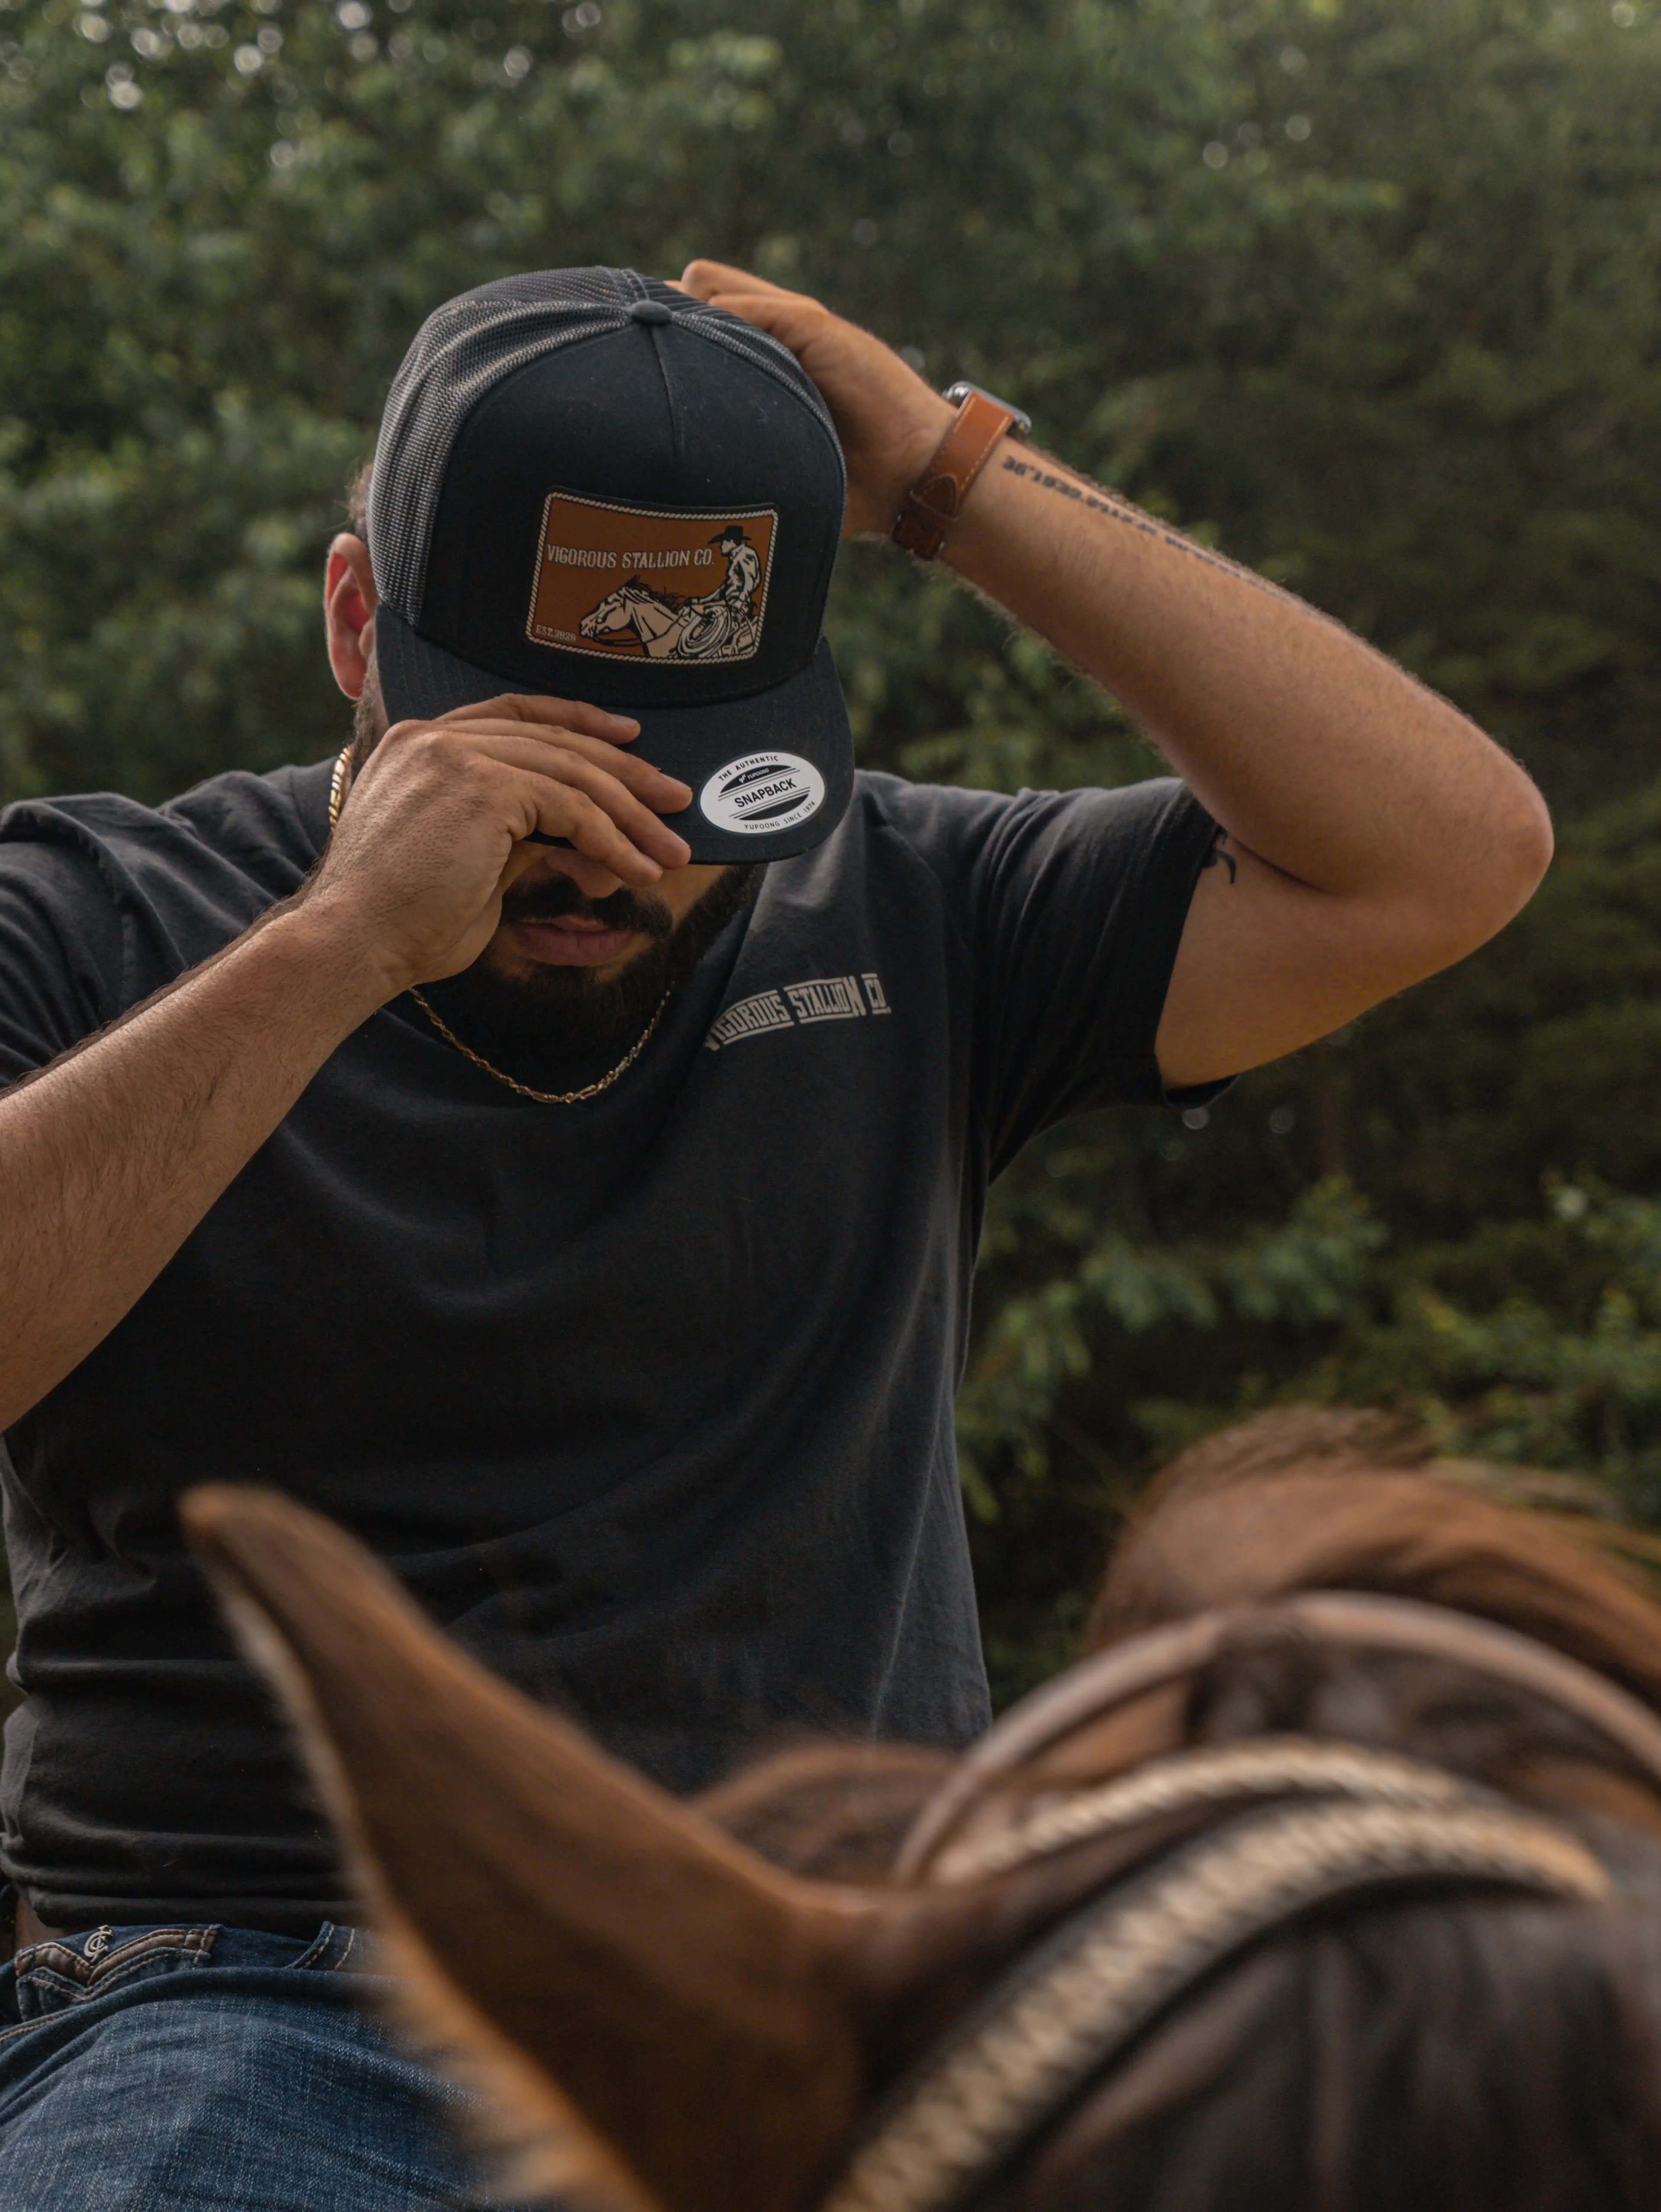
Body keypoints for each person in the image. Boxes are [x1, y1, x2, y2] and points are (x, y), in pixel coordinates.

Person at [0, 262, 1551, 2209]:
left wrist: (954, 481)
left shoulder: (915, 905)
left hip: (871, 2005)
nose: (611, 842)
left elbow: (1452, 856)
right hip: (263, 1998)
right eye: (530, 754)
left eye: (695, 766)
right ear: (352, 630)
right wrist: (338, 948)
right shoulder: (92, 922)